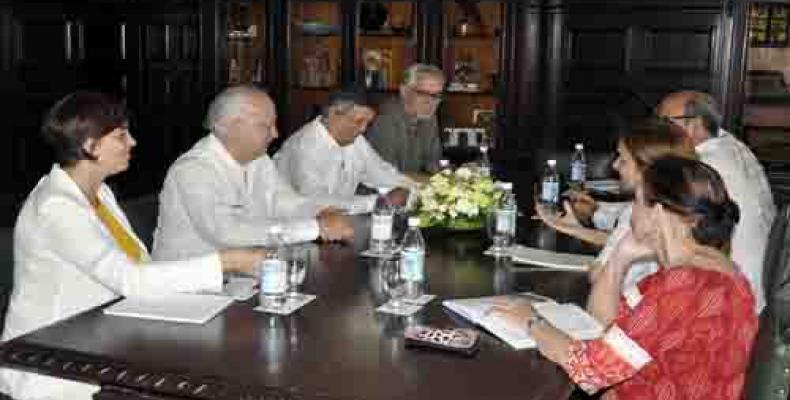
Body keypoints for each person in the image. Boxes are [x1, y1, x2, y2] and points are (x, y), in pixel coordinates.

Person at [0, 91, 265, 399]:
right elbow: (128, 278)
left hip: (105, 337)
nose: (133, 143)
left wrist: (213, 287)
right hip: (54, 360)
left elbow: (140, 265)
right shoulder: (56, 207)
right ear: (90, 146)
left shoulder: (100, 193)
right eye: (121, 136)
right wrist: (225, 262)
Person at [494, 157, 758, 399]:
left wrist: (531, 322)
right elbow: (603, 325)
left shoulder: (684, 285)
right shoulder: (710, 269)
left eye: (637, 200)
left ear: (657, 213)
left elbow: (591, 370)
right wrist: (619, 259)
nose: (631, 211)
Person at [152, 86, 353, 262]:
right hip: (188, 292)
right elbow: (227, 233)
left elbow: (286, 202)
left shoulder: (258, 161)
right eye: (265, 126)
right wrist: (315, 228)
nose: (275, 133)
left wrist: (321, 212)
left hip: (242, 277)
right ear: (228, 126)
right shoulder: (193, 169)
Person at [657, 91, 775, 312]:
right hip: (758, 287)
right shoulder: (732, 146)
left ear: (695, 125)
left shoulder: (703, 168)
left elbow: (664, 226)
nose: (657, 129)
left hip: (733, 299)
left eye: (665, 121)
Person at [274, 87, 416, 214]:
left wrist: (416, 190)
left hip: (336, 227)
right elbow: (318, 203)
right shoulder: (304, 146)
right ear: (333, 114)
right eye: (358, 121)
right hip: (289, 231)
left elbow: (381, 173)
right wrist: (380, 202)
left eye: (367, 123)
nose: (363, 129)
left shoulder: (355, 140)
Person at [366, 63, 444, 176]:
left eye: (436, 96)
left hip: (412, 188)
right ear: (404, 91)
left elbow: (433, 163)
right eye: (423, 94)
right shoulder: (385, 120)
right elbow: (386, 175)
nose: (430, 102)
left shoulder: (429, 117)